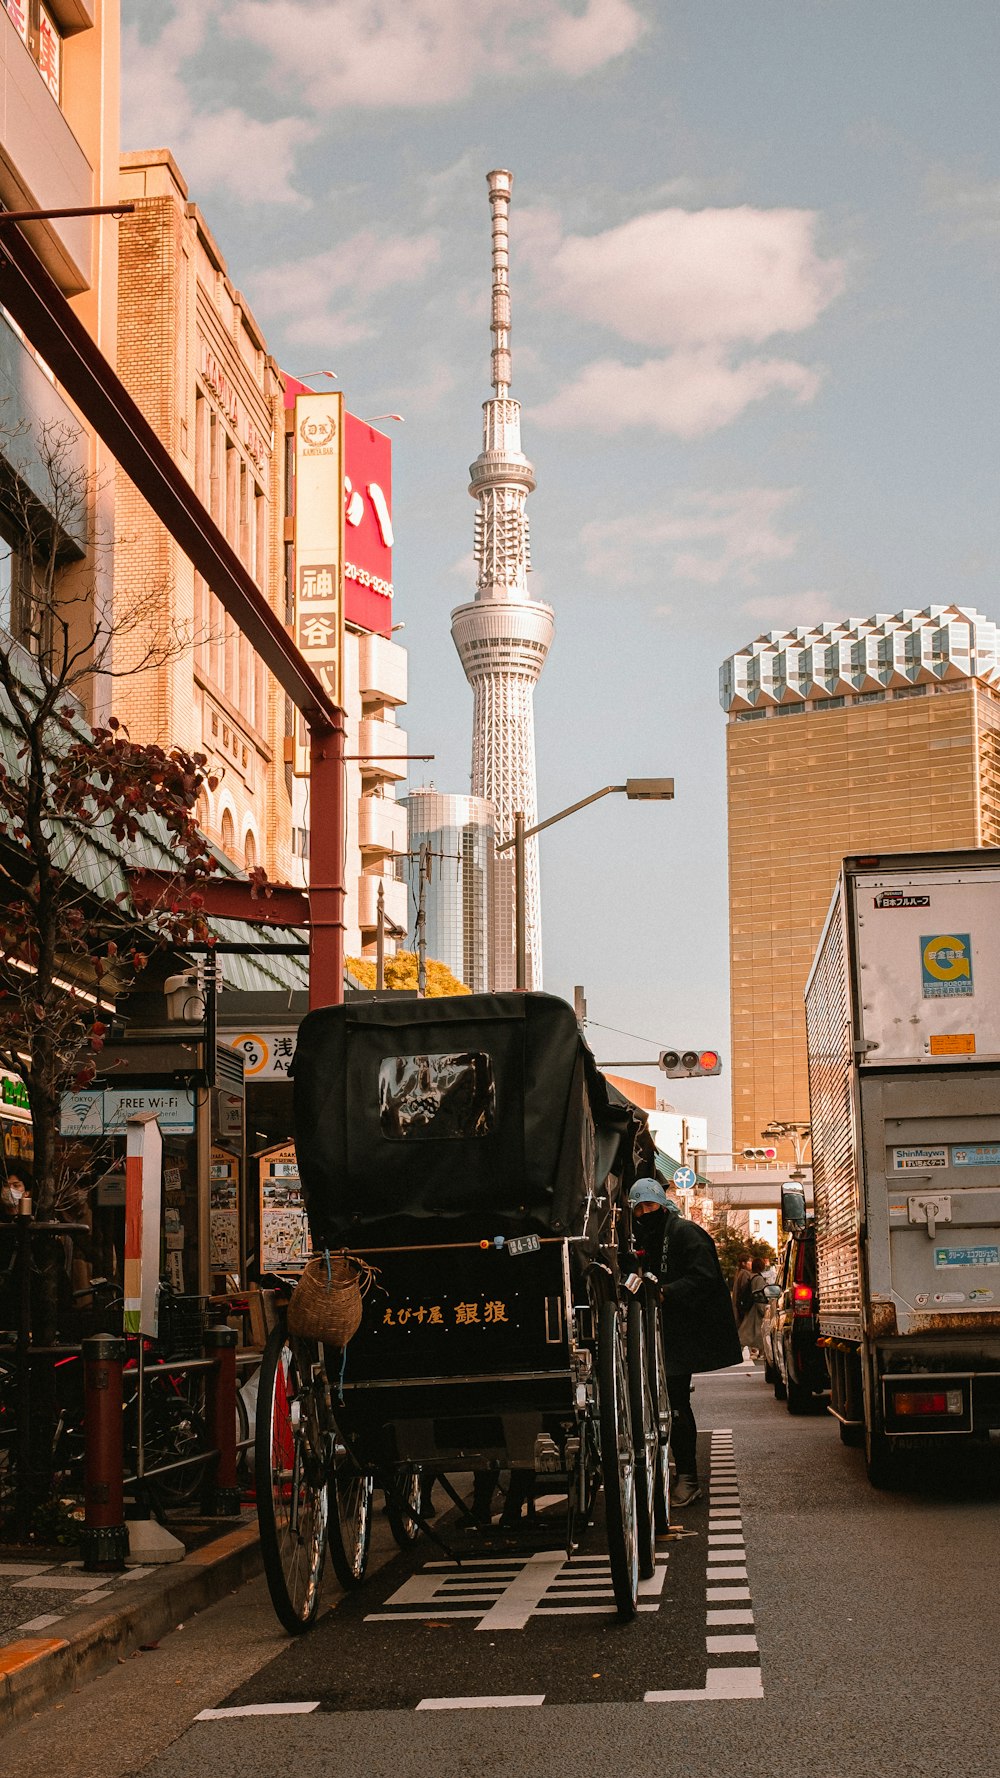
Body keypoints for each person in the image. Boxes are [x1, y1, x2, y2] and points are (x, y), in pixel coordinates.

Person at [626, 1178, 742, 1507]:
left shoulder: (684, 1232)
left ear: (662, 1205)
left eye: (650, 1206)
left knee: (676, 1402)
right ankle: (669, 1473)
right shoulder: (639, 1238)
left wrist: (666, 1291)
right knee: (655, 1405)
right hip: (652, 1332)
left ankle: (689, 1478)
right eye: (639, 1208)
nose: (645, 1213)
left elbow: (706, 1276)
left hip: (681, 1332)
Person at [737, 1255, 767, 1360]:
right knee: (758, 1331)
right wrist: (763, 1309)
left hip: (752, 1308)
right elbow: (759, 1295)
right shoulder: (758, 1278)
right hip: (756, 1309)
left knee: (752, 1331)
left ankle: (757, 1352)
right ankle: (761, 1352)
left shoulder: (752, 1276)